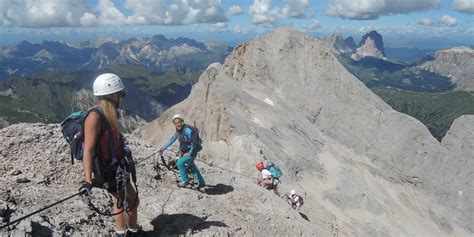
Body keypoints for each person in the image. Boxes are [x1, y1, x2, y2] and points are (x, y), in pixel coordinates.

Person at [78, 73, 140, 237]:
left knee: (126, 200)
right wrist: (87, 180)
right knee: (127, 201)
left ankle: (127, 232)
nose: (122, 97)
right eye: (121, 94)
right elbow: (88, 149)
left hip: (115, 166)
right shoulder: (95, 117)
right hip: (107, 170)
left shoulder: (109, 113)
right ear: (112, 95)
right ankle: (128, 233)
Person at [160, 114, 205, 192]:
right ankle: (201, 183)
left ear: (182, 122)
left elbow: (194, 142)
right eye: (176, 123)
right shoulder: (178, 132)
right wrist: (163, 148)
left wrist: (190, 153)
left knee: (180, 163)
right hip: (185, 152)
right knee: (192, 167)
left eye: (179, 122)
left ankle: (185, 181)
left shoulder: (187, 130)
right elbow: (172, 140)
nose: (178, 124)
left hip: (191, 152)